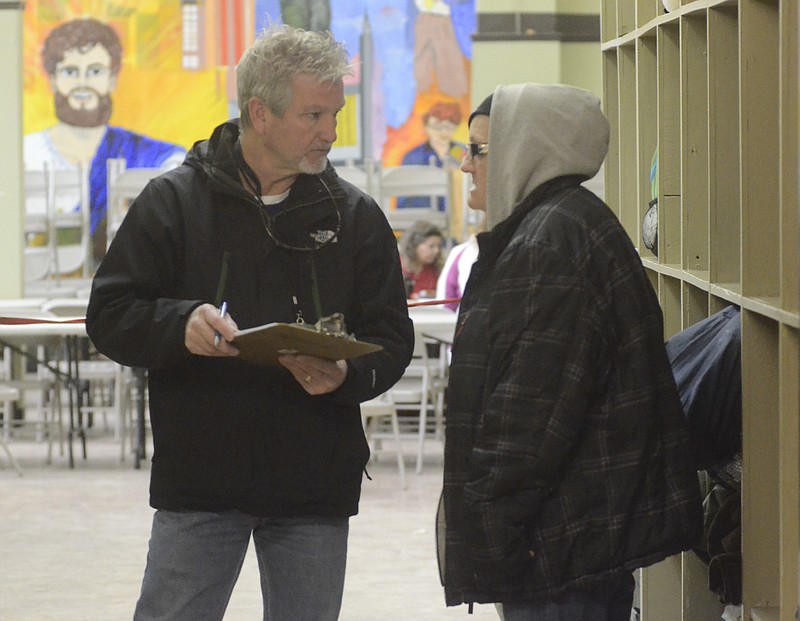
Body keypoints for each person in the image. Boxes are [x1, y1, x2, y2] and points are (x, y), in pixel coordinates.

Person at [86, 24, 414, 621]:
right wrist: (177, 324)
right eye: (313, 115)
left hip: (315, 483)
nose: (331, 133)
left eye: (335, 113)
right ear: (259, 114)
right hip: (202, 481)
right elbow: (109, 314)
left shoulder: (356, 218)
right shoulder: (172, 204)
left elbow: (393, 337)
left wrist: (346, 376)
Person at [438, 84, 703, 620]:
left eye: (479, 150)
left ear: (526, 150)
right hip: (571, 540)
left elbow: (528, 420)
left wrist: (488, 535)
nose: (466, 166)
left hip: (556, 550)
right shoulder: (562, 224)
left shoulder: (548, 246)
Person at [25, 17, 186, 264]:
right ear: (52, 80)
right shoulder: (26, 155)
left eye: (95, 71)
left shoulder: (154, 156)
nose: (82, 83)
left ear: (112, 79)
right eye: (70, 71)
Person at [398, 100, 466, 210]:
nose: (443, 132)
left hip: (457, 213)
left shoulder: (460, 152)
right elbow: (404, 198)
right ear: (426, 128)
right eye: (437, 127)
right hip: (423, 215)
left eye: (448, 127)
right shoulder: (414, 156)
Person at [399, 220, 445, 299]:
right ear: (414, 245)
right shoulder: (396, 268)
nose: (436, 251)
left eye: (439, 246)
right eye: (431, 246)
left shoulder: (437, 272)